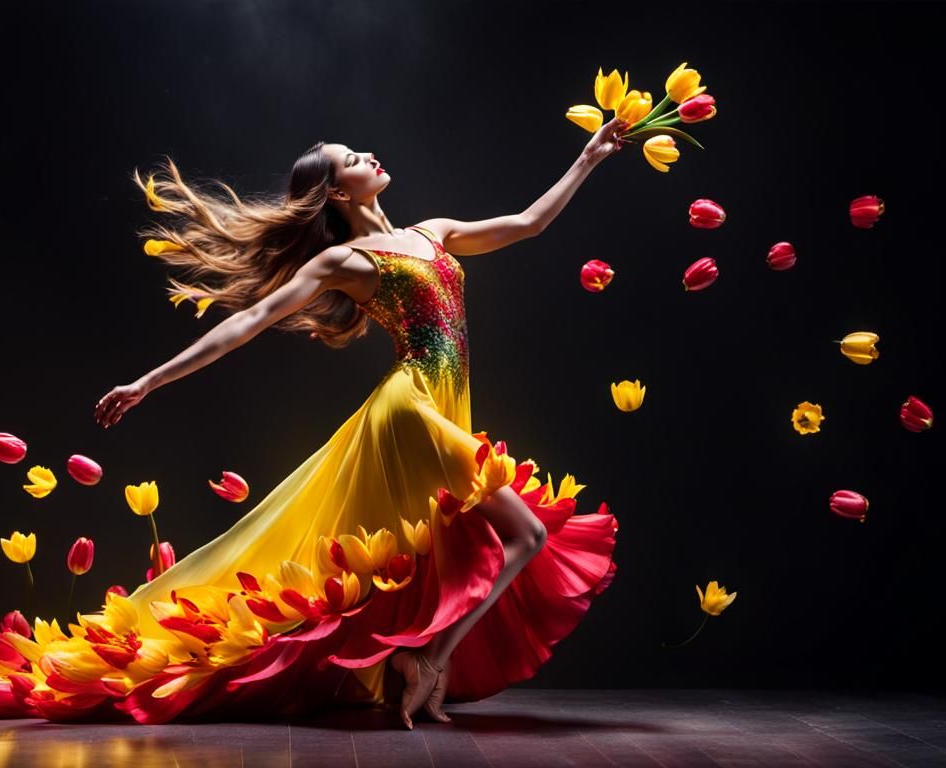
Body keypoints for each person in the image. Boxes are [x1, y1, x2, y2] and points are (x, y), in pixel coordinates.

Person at [94, 117, 631, 728]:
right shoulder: (342, 260)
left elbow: (529, 223)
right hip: (411, 409)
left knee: (503, 540)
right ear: (339, 194)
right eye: (351, 157)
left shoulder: (433, 233)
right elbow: (252, 320)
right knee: (527, 534)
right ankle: (429, 659)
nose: (369, 153)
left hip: (442, 401)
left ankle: (423, 660)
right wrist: (149, 381)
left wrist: (588, 158)